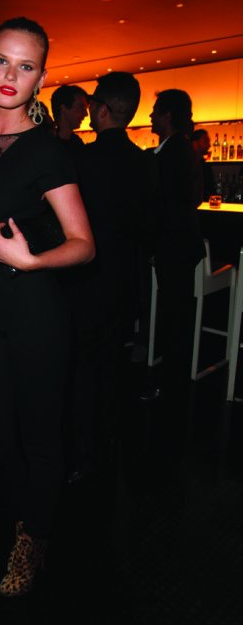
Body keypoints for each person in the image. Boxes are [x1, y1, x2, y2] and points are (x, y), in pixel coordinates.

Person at [0, 16, 95, 597]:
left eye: (26, 66)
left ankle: (35, 536)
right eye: (2, 61)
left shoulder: (45, 151)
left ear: (41, 79)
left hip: (34, 310)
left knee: (38, 436)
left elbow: (84, 244)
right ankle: (23, 515)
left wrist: (32, 260)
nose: (11, 74)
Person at [65, 71, 153, 482]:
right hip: (124, 281)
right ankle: (109, 443)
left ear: (102, 110)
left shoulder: (83, 161)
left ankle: (84, 454)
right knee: (113, 364)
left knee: (83, 367)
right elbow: (146, 230)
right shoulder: (143, 162)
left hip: (87, 281)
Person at [146, 89, 205, 454]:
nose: (151, 116)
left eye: (155, 111)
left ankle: (170, 388)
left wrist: (152, 244)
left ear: (167, 115)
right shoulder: (182, 149)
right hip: (182, 245)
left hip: (174, 247)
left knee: (174, 315)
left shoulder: (172, 153)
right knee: (176, 313)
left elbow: (163, 206)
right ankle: (172, 385)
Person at [50, 84, 88, 164]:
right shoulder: (49, 146)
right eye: (80, 107)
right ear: (63, 109)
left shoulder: (77, 143)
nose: (86, 114)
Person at [191, 128, 216, 201]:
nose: (209, 145)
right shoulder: (190, 164)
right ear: (195, 143)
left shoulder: (204, 164)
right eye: (206, 141)